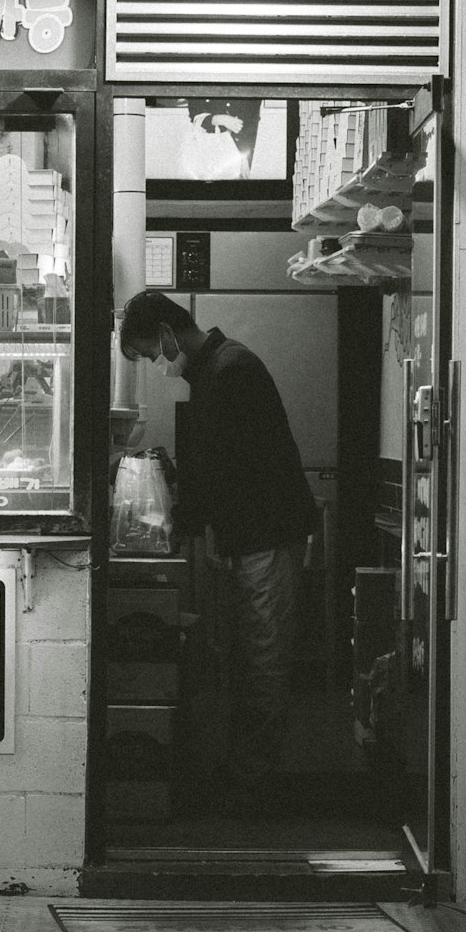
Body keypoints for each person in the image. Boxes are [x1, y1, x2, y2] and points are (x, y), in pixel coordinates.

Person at [120, 290, 318, 813]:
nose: (157, 364)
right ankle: (243, 771)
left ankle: (253, 784)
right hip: (246, 534)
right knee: (249, 655)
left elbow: (226, 469)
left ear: (168, 331)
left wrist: (177, 520)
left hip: (266, 534)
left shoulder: (231, 370)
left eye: (151, 352)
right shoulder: (213, 370)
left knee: (264, 656)